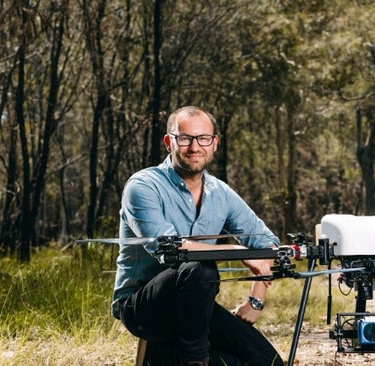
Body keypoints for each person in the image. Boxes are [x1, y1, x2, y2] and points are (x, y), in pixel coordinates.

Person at [112, 106, 284, 366]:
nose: (195, 147)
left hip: (196, 308)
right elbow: (168, 249)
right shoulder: (143, 186)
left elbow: (265, 243)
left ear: (214, 143)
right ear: (169, 142)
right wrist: (236, 252)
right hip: (144, 308)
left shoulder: (220, 193)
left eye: (203, 138)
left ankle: (162, 359)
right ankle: (194, 361)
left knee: (267, 361)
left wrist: (256, 300)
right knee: (199, 267)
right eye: (185, 139)